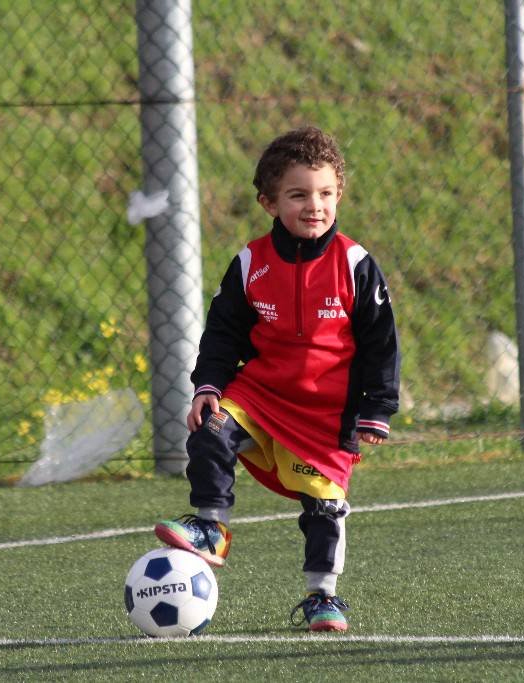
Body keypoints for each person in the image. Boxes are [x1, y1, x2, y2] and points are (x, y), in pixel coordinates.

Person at [155, 126, 400, 632]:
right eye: (299, 195)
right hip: (261, 394)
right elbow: (223, 334)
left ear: (339, 195)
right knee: (211, 428)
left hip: (325, 415)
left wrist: (377, 406)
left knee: (324, 508)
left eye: (326, 194)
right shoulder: (250, 263)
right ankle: (210, 526)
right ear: (268, 202)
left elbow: (381, 342)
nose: (315, 206)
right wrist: (208, 387)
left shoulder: (355, 265)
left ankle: (322, 597)